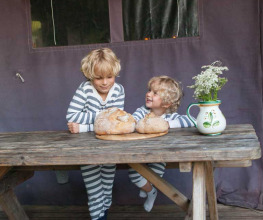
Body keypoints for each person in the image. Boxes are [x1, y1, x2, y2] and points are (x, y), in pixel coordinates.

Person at [66, 48, 124, 220]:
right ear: (90, 76)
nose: (105, 82)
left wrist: (83, 127)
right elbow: (71, 116)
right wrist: (104, 117)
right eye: (99, 78)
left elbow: (114, 123)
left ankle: (103, 215)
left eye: (109, 77)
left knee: (107, 189)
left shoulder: (119, 90)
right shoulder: (85, 90)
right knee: (95, 192)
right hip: (87, 149)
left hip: (109, 147)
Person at [129, 75, 194, 212]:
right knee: (134, 175)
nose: (149, 94)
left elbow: (193, 121)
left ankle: (149, 190)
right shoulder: (142, 112)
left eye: (155, 93)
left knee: (154, 178)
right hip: (139, 154)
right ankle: (151, 191)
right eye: (149, 90)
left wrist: (168, 124)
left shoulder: (171, 117)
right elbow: (132, 121)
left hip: (160, 156)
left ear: (166, 103)